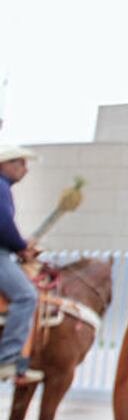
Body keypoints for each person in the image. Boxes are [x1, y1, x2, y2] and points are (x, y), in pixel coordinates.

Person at [0, 145, 44, 385]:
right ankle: (7, 359)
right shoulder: (1, 187)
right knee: (27, 296)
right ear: (4, 164)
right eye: (20, 163)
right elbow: (3, 224)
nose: (25, 169)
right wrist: (21, 245)